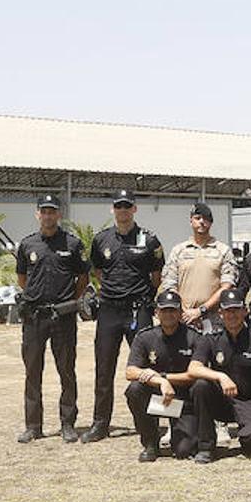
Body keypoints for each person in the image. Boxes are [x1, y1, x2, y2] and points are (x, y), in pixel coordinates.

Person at [85, 189, 164, 443]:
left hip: (138, 310)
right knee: (104, 368)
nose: (122, 210)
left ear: (134, 209)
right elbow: (98, 271)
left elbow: (156, 277)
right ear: (112, 209)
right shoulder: (101, 240)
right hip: (109, 310)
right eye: (118, 206)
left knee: (147, 366)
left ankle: (150, 423)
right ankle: (100, 424)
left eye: (127, 206)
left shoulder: (149, 240)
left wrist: (142, 297)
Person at [15, 193, 89, 444]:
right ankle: (33, 426)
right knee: (32, 371)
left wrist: (68, 301)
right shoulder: (28, 245)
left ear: (59, 214)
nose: (48, 215)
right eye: (44, 211)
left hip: (62, 317)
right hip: (35, 317)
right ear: (38, 214)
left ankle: (67, 424)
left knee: (66, 371)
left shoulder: (73, 244)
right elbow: (22, 278)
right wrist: (34, 296)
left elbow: (83, 278)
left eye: (52, 211)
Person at [187, 287, 251, 463]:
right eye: (227, 311)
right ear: (220, 313)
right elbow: (193, 369)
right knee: (200, 386)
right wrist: (221, 377)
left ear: (245, 311)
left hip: (249, 402)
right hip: (222, 401)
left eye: (236, 310)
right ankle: (206, 447)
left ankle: (247, 435)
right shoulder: (211, 338)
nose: (232, 315)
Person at [123, 289, 199, 462]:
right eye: (164, 310)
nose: (168, 314)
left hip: (183, 398)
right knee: (135, 389)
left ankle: (183, 435)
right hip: (157, 396)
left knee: (183, 450)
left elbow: (194, 375)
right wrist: (160, 381)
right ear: (157, 313)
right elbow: (130, 371)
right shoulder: (145, 337)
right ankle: (150, 442)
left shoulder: (193, 337)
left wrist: (164, 378)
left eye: (173, 310)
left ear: (180, 312)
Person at [161, 202, 238, 333]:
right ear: (191, 221)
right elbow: (169, 284)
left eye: (206, 219)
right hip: (183, 318)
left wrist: (201, 310)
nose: (202, 222)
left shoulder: (223, 251)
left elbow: (227, 286)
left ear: (211, 223)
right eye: (197, 218)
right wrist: (185, 311)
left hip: (213, 320)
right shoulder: (178, 251)